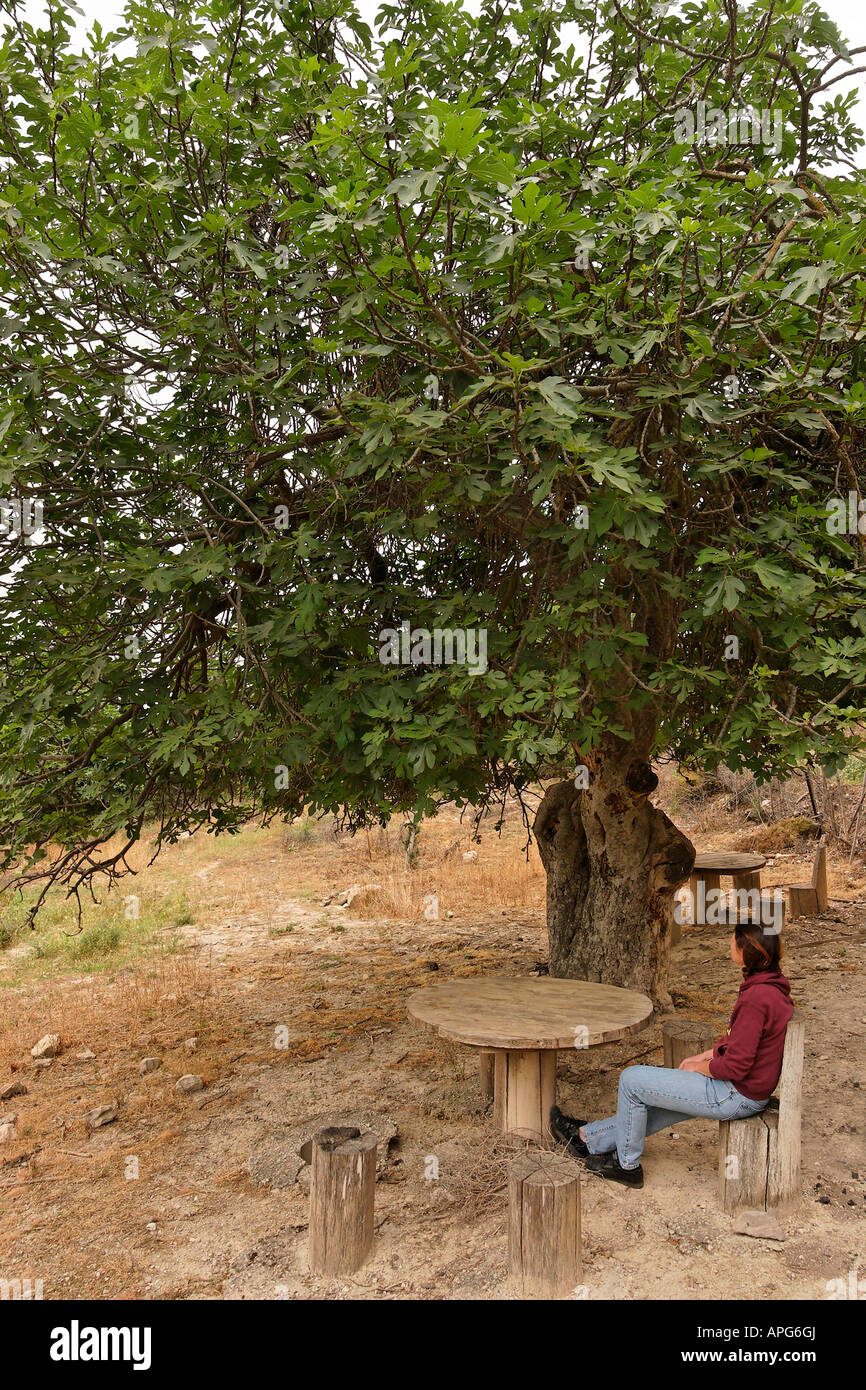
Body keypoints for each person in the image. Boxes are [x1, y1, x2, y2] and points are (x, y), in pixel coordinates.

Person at [550, 920, 794, 1188]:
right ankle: (589, 1138)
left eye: (733, 940)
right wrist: (707, 1055)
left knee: (632, 1080)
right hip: (747, 1091)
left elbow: (736, 1065)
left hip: (735, 1094)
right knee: (654, 1100)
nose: (729, 944)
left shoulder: (757, 998)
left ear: (744, 951)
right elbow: (744, 1043)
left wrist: (698, 1069)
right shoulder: (772, 987)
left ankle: (626, 1165)